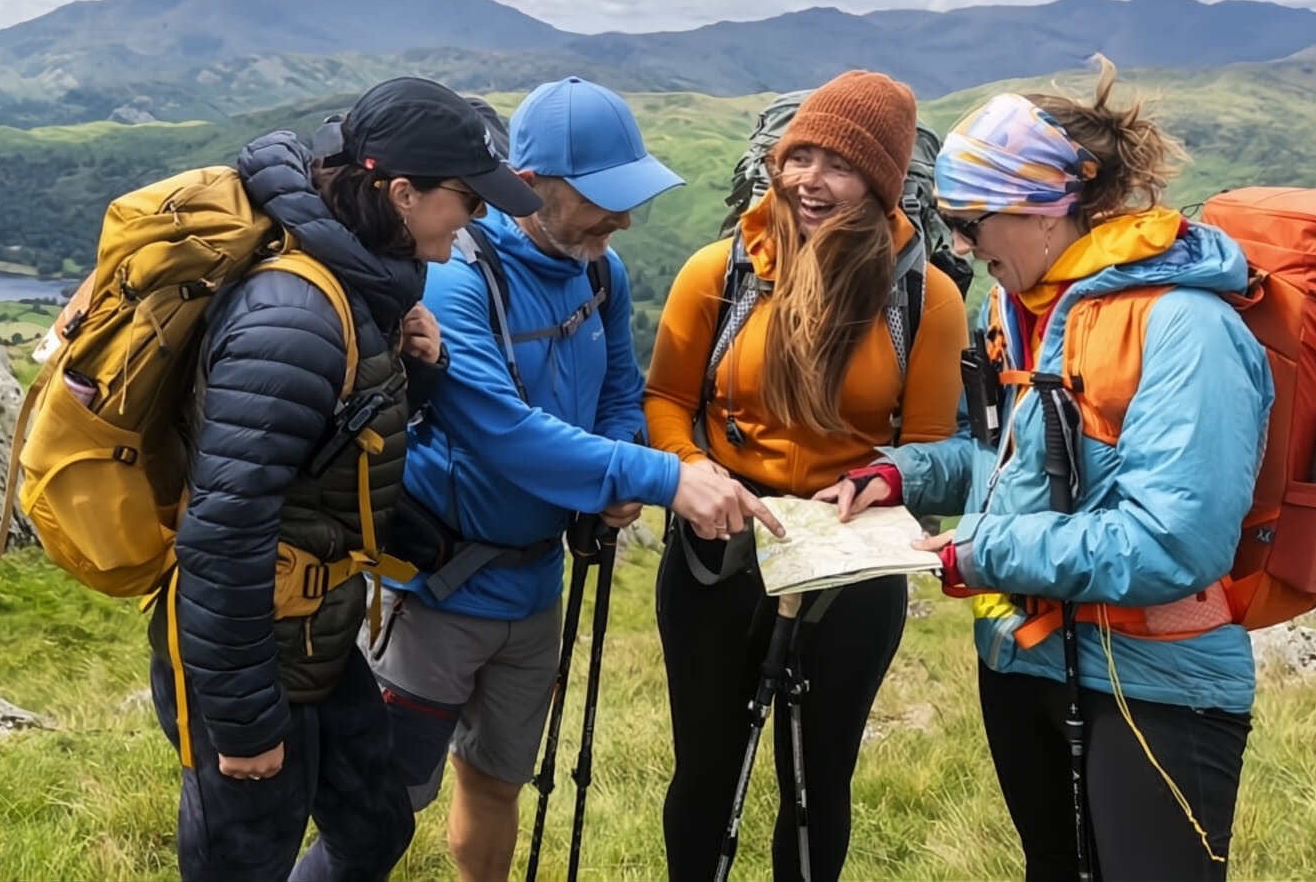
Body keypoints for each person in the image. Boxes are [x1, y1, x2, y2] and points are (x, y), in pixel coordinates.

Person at [819, 58, 1276, 881]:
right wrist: (901, 475)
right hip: (1027, 659)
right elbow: (1011, 464)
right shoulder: (1024, 308)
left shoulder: (1186, 329)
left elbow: (1173, 542)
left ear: (1044, 206)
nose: (960, 244)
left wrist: (977, 554)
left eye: (971, 219)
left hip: (1154, 689)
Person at [367, 76, 781, 882]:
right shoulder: (457, 276)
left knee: (495, 780)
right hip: (438, 591)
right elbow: (504, 436)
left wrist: (617, 472)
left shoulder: (601, 272)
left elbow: (621, 391)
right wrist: (663, 476)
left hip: (534, 588)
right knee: (383, 800)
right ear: (529, 187)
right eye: (603, 199)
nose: (622, 219)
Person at [147, 76, 543, 881]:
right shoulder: (292, 318)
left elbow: (326, 451)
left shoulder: (361, 287)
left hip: (317, 628)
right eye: (467, 200)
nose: (478, 219)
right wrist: (247, 723)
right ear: (402, 193)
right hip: (250, 648)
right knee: (242, 861)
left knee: (374, 825)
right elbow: (223, 536)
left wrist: (416, 373)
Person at [643, 69, 969, 882]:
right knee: (706, 771)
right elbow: (665, 398)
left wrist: (887, 479)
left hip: (850, 562)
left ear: (883, 182)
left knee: (817, 780)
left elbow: (932, 447)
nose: (808, 181)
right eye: (800, 156)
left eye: (840, 164)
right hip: (718, 545)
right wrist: (690, 471)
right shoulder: (719, 273)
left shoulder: (924, 299)